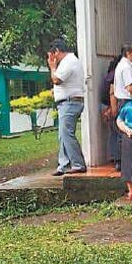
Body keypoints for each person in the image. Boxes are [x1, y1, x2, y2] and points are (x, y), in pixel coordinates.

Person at [47, 39, 86, 176]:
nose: (52, 58)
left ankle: (78, 164)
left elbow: (57, 80)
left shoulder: (68, 61)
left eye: (52, 55)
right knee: (63, 134)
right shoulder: (70, 61)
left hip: (70, 103)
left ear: (57, 51)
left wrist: (52, 67)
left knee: (66, 134)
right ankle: (63, 165)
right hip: (68, 102)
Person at [100, 56, 122, 172]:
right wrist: (113, 109)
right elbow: (112, 93)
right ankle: (119, 160)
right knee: (119, 133)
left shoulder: (110, 75)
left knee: (114, 133)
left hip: (106, 105)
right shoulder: (115, 76)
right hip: (111, 106)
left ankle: (115, 158)